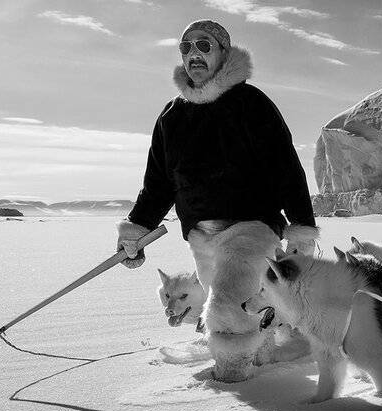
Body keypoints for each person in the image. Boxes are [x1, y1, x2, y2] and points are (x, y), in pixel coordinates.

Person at [116, 19, 318, 380]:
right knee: (233, 307)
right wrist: (138, 229)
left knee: (227, 312)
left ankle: (233, 385)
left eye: (204, 45)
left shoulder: (251, 104)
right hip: (200, 236)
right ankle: (270, 354)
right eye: (186, 46)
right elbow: (159, 182)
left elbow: (285, 166)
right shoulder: (172, 115)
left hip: (250, 227)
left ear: (224, 53)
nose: (194, 53)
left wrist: (300, 227)